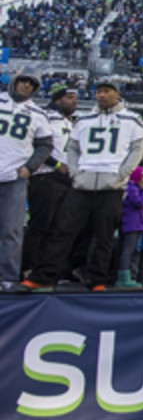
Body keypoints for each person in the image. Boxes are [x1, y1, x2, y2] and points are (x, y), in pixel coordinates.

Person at [23, 77, 143, 293]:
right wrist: (75, 172)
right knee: (63, 231)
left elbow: (137, 149)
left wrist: (122, 174)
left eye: (107, 91)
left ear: (117, 94)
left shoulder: (132, 120)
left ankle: (97, 278)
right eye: (99, 91)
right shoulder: (84, 119)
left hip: (111, 185)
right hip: (83, 183)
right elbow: (73, 148)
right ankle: (44, 276)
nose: (102, 95)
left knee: (104, 236)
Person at [0, 71, 54, 290]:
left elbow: (45, 145)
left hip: (14, 176)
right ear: (14, 82)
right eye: (23, 82)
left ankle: (7, 276)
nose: (26, 86)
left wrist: (30, 167)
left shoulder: (38, 113)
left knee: (11, 229)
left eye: (31, 84)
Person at [23, 83, 75, 279]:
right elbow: (38, 146)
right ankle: (29, 266)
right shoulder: (46, 118)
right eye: (70, 98)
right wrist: (55, 165)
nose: (74, 102)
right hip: (46, 176)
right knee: (40, 225)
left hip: (65, 179)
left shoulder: (68, 122)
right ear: (58, 99)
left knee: (58, 227)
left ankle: (47, 268)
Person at [116, 167, 143, 289]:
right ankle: (123, 277)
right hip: (132, 223)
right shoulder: (133, 188)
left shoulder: (132, 188)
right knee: (128, 250)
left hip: (137, 223)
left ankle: (129, 275)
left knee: (132, 251)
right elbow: (139, 203)